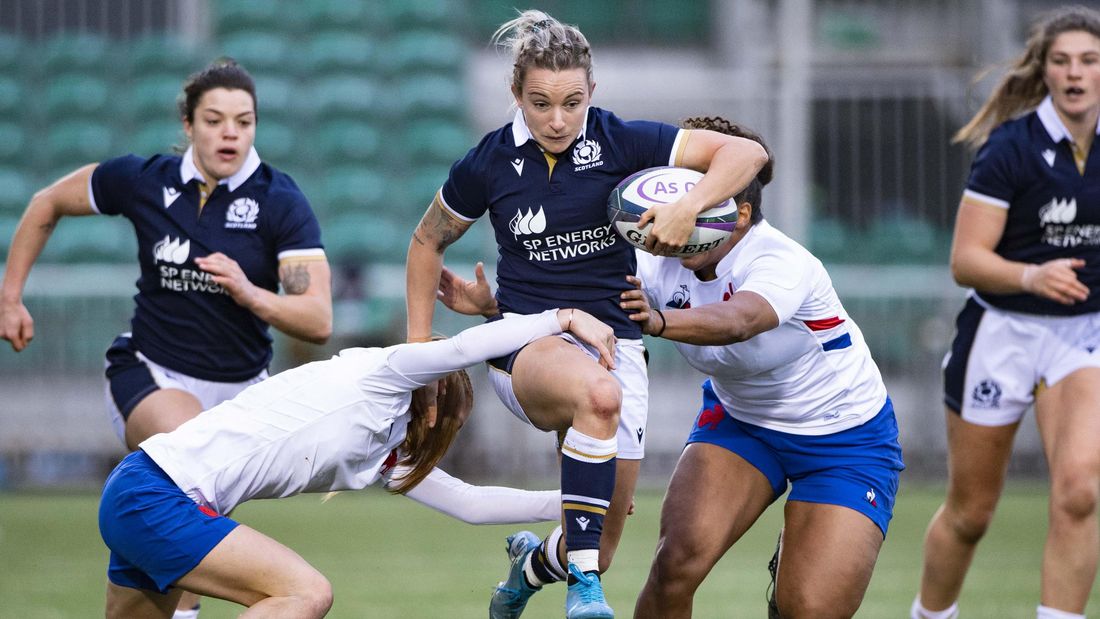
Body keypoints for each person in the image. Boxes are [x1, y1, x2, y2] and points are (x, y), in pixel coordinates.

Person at [438, 116, 904, 618]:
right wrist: (495, 308)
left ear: (740, 215)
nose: (674, 224)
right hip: (741, 426)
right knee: (673, 569)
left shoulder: (782, 261)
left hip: (846, 438)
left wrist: (659, 321)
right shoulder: (652, 259)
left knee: (807, 608)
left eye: (694, 207)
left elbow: (740, 319)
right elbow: (570, 312)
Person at [405, 10, 768, 618]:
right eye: (540, 103)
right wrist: (419, 357)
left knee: (601, 538)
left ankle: (529, 569)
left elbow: (746, 153)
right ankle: (584, 593)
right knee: (598, 398)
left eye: (572, 102)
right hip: (526, 345)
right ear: (515, 94)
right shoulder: (489, 162)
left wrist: (693, 205)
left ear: (591, 93)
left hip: (617, 343)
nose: (557, 119)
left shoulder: (621, 141)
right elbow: (425, 242)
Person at [0, 58, 333, 619]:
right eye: (214, 119)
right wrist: (10, 297)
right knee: (185, 469)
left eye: (244, 121)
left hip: (243, 396)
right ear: (188, 123)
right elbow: (46, 203)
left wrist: (251, 295)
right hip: (151, 373)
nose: (230, 133)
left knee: (135, 591)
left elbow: (318, 318)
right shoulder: (144, 179)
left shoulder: (279, 200)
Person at [98, 307, 614, 618]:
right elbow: (464, 346)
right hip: (159, 494)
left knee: (301, 593)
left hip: (144, 492)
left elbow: (469, 502)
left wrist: (574, 502)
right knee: (305, 593)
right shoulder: (384, 373)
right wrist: (561, 319)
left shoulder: (383, 452)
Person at [912, 7, 1100, 619]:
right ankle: (930, 614)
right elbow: (965, 261)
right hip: (1003, 331)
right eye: (1063, 60)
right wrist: (1030, 275)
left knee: (1079, 495)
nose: (1076, 73)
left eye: (1089, 61)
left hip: (1083, 338)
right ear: (1044, 70)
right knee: (971, 514)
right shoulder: (1012, 147)